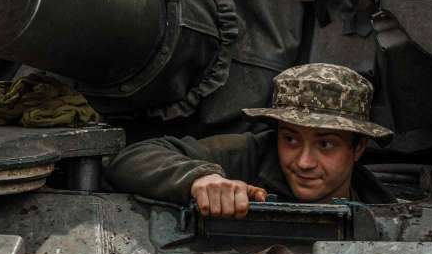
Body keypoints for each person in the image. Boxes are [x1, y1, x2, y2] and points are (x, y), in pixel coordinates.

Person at [104, 63, 395, 218]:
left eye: (326, 144)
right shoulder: (249, 153)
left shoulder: (384, 211)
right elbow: (131, 158)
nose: (304, 162)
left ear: (358, 148)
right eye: (291, 139)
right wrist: (199, 179)